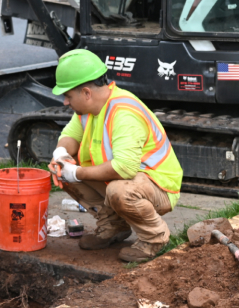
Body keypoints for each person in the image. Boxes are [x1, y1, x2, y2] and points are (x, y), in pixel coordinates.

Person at [47, 48, 182, 263]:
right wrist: (61, 154)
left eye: (68, 95)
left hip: (159, 186)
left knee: (118, 190)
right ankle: (114, 226)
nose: (65, 102)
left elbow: (125, 168)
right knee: (63, 171)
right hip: (130, 179)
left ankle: (155, 238)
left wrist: (78, 172)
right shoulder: (89, 109)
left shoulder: (123, 113)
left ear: (86, 93)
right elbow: (70, 135)